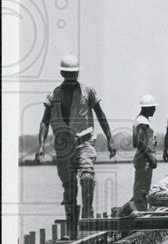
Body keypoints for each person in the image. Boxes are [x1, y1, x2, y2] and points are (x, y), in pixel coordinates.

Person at [36, 54, 117, 233]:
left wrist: (110, 139)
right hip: (63, 146)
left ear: (78, 73)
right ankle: (72, 230)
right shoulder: (54, 95)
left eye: (74, 74)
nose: (71, 77)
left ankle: (87, 217)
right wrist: (40, 146)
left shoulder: (88, 92)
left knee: (87, 177)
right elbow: (44, 121)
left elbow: (100, 115)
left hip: (84, 142)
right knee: (70, 188)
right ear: (63, 73)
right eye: (68, 74)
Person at [120, 95, 158, 216]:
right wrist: (150, 158)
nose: (154, 110)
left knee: (142, 190)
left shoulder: (141, 120)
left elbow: (138, 142)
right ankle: (140, 215)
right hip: (144, 159)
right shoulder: (142, 122)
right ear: (147, 108)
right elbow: (139, 142)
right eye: (153, 108)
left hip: (143, 158)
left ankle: (136, 212)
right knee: (141, 192)